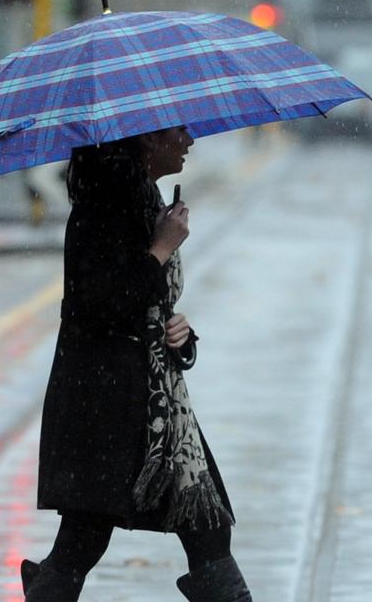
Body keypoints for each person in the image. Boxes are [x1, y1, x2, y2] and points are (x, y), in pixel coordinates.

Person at [20, 126, 251, 602]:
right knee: (83, 540)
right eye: (179, 130)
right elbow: (100, 305)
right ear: (148, 139)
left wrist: (180, 334)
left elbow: (149, 308)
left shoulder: (143, 197)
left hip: (150, 401)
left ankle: (48, 589)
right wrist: (162, 247)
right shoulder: (103, 205)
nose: (189, 140)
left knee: (204, 528)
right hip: (109, 403)